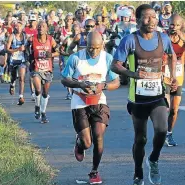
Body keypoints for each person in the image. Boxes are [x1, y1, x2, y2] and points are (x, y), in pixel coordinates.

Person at [110, 4, 177, 185]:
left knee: (162, 130)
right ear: (138, 20)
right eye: (146, 17)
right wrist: (133, 74)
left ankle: (153, 159)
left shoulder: (163, 38)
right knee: (141, 139)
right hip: (138, 97)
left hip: (157, 95)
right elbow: (115, 65)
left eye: (154, 17)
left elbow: (172, 55)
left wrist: (173, 76)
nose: (151, 20)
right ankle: (138, 171)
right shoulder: (129, 40)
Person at [61, 31, 120, 185]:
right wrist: (79, 84)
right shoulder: (76, 58)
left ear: (102, 45)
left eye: (96, 48)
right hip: (80, 101)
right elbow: (65, 79)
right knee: (87, 142)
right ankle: (80, 144)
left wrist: (103, 85)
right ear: (85, 45)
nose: (93, 51)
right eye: (90, 48)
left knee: (98, 135)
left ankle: (94, 171)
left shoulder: (107, 58)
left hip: (99, 100)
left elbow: (116, 82)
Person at [164, 14, 185, 147]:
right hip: (164, 75)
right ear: (168, 24)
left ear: (181, 26)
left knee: (174, 109)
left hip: (178, 77)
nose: (174, 27)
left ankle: (169, 133)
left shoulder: (184, 37)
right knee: (164, 107)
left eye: (177, 25)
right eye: (172, 24)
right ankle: (160, 132)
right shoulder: (163, 37)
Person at [27, 21, 59, 123]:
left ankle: (43, 112)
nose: (41, 28)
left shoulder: (50, 39)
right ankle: (37, 106)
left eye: (43, 26)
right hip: (36, 68)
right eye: (39, 26)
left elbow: (58, 51)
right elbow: (25, 49)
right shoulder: (32, 39)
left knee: (45, 93)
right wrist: (29, 56)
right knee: (38, 90)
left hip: (47, 69)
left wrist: (51, 55)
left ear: (46, 29)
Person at [6, 20, 28, 105]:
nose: (18, 28)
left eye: (20, 26)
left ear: (22, 27)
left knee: (22, 78)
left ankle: (21, 96)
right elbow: (7, 49)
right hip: (13, 59)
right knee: (13, 76)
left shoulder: (25, 36)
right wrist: (17, 49)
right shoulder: (12, 36)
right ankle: (12, 84)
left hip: (22, 59)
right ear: (14, 27)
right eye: (16, 26)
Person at [59, 23, 80, 100]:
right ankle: (69, 93)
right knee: (68, 77)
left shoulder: (81, 39)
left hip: (78, 61)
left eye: (77, 30)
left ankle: (75, 92)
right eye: (74, 30)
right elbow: (61, 49)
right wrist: (65, 54)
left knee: (76, 77)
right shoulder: (68, 39)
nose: (76, 32)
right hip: (68, 60)